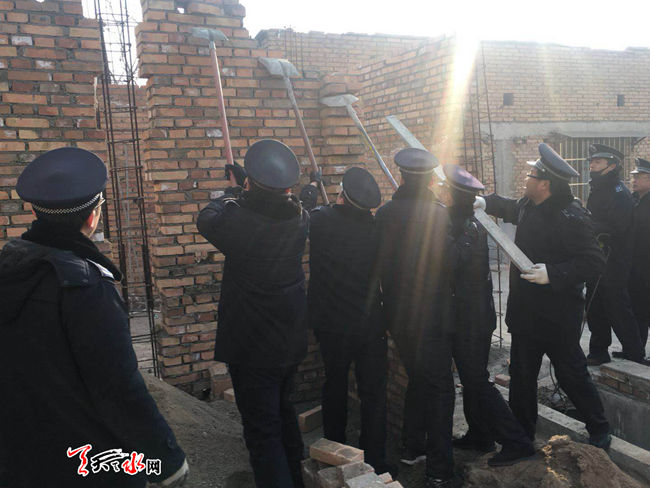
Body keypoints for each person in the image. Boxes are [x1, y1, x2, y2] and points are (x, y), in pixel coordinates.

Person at [0, 147, 188, 487]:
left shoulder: (10, 267)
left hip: (19, 456)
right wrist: (167, 459)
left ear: (33, 210)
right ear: (92, 217)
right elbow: (117, 387)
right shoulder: (84, 286)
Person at [475, 143, 611, 450]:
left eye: (531, 175)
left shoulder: (571, 216)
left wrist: (554, 273)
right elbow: (510, 207)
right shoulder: (529, 204)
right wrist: (484, 201)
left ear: (545, 184)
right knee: (522, 376)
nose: (526, 179)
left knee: (570, 373)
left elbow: (594, 262)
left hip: (557, 315)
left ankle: (599, 427)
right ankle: (523, 437)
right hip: (525, 313)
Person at [197, 139, 308, 488]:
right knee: (284, 412)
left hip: (252, 346)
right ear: (288, 187)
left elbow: (207, 217)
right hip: (288, 340)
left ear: (249, 185)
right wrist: (246, 189)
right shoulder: (301, 218)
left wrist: (233, 191)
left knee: (263, 433)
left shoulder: (238, 221)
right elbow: (265, 205)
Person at [299, 167, 394, 476]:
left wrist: (312, 185)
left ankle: (335, 451)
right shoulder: (376, 228)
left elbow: (301, 211)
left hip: (332, 324)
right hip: (370, 324)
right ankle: (375, 458)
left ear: (341, 194)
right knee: (373, 393)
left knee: (335, 384)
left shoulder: (321, 220)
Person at [437, 165, 535, 467]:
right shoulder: (460, 221)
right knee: (472, 380)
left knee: (476, 381)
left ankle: (517, 442)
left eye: (443, 189)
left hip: (472, 319)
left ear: (452, 195)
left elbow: (452, 262)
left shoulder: (466, 226)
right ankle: (479, 435)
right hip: (469, 314)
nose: (439, 193)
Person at [375, 148, 455, 488]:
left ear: (403, 176)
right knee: (440, 389)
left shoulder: (385, 213)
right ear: (430, 180)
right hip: (432, 317)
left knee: (419, 378)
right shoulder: (440, 215)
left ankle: (412, 446)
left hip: (398, 315)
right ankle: (440, 470)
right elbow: (450, 266)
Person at [585, 144, 644, 365]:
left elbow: (618, 227)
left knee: (617, 308)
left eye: (597, 162)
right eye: (592, 162)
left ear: (611, 166)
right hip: (597, 258)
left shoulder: (619, 193)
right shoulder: (599, 188)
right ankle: (598, 351)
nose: (592, 165)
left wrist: (588, 224)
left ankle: (634, 352)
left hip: (614, 259)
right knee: (595, 307)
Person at [628, 157, 650, 359]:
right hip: (635, 264)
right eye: (633, 177)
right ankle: (637, 350)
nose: (634, 180)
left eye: (640, 177)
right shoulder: (633, 200)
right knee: (638, 309)